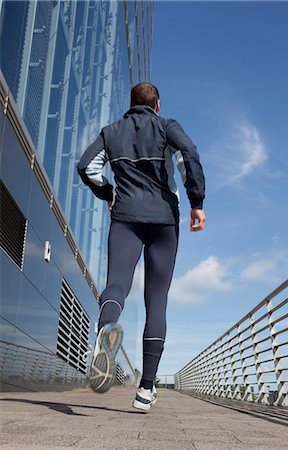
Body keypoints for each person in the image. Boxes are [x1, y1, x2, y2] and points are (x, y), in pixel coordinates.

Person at [77, 82, 206, 411]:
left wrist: (108, 193)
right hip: (164, 221)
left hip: (125, 219)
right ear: (157, 105)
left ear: (131, 103)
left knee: (117, 285)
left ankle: (106, 329)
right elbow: (188, 155)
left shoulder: (111, 132)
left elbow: (86, 167)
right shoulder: (167, 128)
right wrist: (196, 202)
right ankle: (146, 389)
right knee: (156, 300)